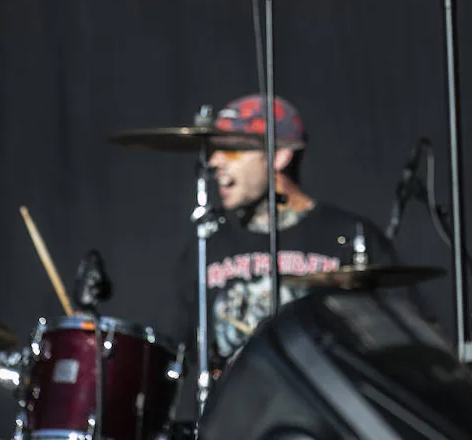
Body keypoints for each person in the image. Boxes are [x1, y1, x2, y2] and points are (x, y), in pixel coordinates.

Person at [165, 93, 402, 368]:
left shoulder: (350, 236)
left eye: (231, 149)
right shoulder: (209, 246)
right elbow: (167, 347)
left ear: (279, 155)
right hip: (236, 406)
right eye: (214, 150)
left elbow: (404, 340)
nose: (215, 161)